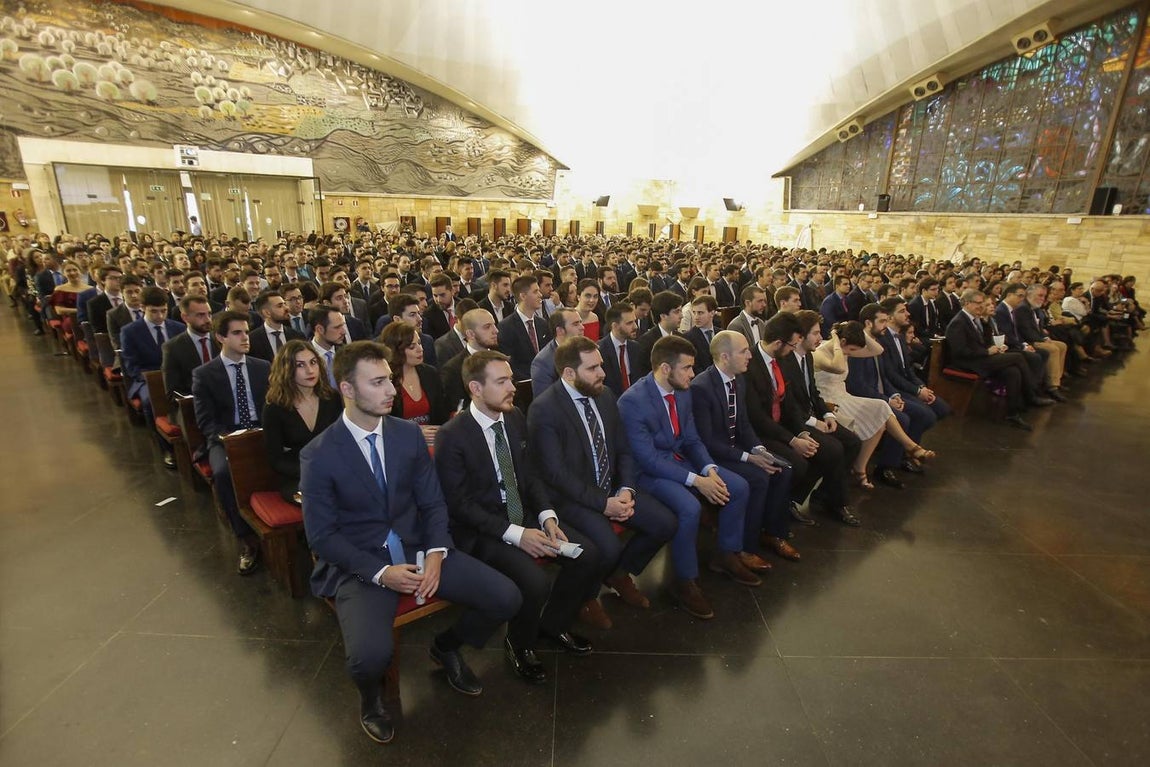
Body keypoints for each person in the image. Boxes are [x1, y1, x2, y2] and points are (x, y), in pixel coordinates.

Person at [300, 341, 521, 744]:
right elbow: (322, 536)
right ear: (347, 390)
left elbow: (433, 502)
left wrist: (437, 552)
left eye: (391, 379)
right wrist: (382, 573)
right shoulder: (319, 455)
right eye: (379, 382)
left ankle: (446, 646)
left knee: (506, 597)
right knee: (369, 657)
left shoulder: (406, 434)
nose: (391, 391)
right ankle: (370, 699)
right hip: (364, 563)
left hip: (422, 547)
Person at [435, 350, 600, 684]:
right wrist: (516, 534)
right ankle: (519, 644)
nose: (513, 386)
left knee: (588, 556)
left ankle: (551, 626)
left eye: (510, 378)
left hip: (522, 516)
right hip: (482, 530)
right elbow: (460, 506)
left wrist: (547, 516)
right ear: (475, 389)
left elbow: (530, 475)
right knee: (534, 582)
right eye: (502, 381)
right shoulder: (453, 435)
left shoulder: (513, 417)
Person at [528, 336, 678, 628]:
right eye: (593, 368)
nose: (603, 373)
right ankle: (586, 596)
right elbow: (556, 474)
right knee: (607, 546)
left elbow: (623, 449)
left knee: (665, 523)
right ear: (569, 374)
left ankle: (619, 573)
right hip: (572, 497)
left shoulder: (605, 395)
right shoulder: (545, 408)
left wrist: (626, 489)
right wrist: (604, 504)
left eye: (601, 365)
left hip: (611, 488)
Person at [619, 335, 755, 620]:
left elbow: (692, 439)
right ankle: (684, 581)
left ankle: (726, 553)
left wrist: (709, 469)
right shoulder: (633, 401)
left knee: (738, 486)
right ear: (666, 369)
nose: (693, 374)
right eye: (687, 368)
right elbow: (647, 459)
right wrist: (696, 480)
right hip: (648, 473)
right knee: (689, 507)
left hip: (681, 461)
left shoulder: (682, 390)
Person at [690, 331, 799, 564]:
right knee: (758, 478)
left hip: (732, 447)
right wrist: (748, 458)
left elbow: (744, 424)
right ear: (724, 356)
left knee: (783, 468)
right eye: (743, 351)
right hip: (712, 456)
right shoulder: (702, 387)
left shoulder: (738, 379)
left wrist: (759, 450)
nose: (750, 355)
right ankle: (745, 547)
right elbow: (707, 441)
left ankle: (772, 532)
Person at [746, 312, 860, 527]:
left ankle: (824, 497)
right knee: (818, 454)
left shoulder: (783, 357)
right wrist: (795, 437)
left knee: (846, 443)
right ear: (780, 343)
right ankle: (782, 511)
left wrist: (810, 425)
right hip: (763, 430)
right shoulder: (755, 363)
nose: (793, 349)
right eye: (791, 344)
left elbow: (790, 401)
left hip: (788, 422)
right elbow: (758, 416)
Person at [191, 311, 270, 574]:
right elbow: (205, 421)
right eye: (237, 333)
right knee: (224, 473)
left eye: (246, 332)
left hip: (261, 431)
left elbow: (272, 408)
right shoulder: (205, 374)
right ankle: (246, 539)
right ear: (220, 337)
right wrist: (228, 439)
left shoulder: (262, 367)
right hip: (226, 436)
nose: (245, 337)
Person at [814, 321, 936, 488]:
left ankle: (861, 466)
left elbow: (878, 350)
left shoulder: (845, 349)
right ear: (842, 343)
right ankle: (910, 447)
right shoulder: (821, 352)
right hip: (828, 401)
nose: (853, 353)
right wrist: (836, 339)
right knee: (879, 415)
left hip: (844, 397)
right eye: (851, 349)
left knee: (880, 411)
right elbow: (838, 367)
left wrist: (856, 329)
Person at [944, 289, 1053, 431]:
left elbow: (983, 341)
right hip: (969, 363)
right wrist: (987, 351)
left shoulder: (975, 318)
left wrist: (995, 346)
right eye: (977, 303)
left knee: (1012, 371)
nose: (981, 306)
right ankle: (1031, 396)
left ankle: (1013, 412)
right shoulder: (959, 322)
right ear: (966, 303)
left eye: (982, 303)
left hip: (981, 358)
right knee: (1018, 356)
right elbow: (960, 351)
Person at [262, 340, 342, 502]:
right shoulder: (274, 408)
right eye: (300, 365)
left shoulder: (331, 398)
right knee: (322, 500)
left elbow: (342, 441)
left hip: (333, 470)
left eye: (313, 362)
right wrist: (312, 470)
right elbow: (276, 459)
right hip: (296, 475)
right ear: (286, 370)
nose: (310, 370)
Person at [379, 320, 448, 426]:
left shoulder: (430, 373)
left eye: (419, 343)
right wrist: (415, 432)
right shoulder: (385, 380)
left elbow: (441, 415)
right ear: (397, 350)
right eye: (412, 347)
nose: (420, 349)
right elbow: (383, 423)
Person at [498, 274, 551, 381]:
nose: (540, 295)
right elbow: (510, 362)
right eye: (535, 292)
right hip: (523, 386)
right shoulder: (506, 327)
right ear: (523, 296)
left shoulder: (543, 323)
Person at [530, 307, 584, 398]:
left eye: (581, 322)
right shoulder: (543, 363)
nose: (582, 327)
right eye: (576, 324)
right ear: (560, 331)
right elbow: (545, 402)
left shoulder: (586, 351)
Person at [248, 289, 304, 361]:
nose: (287, 308)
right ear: (267, 313)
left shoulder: (297, 336)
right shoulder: (252, 340)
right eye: (280, 306)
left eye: (285, 304)